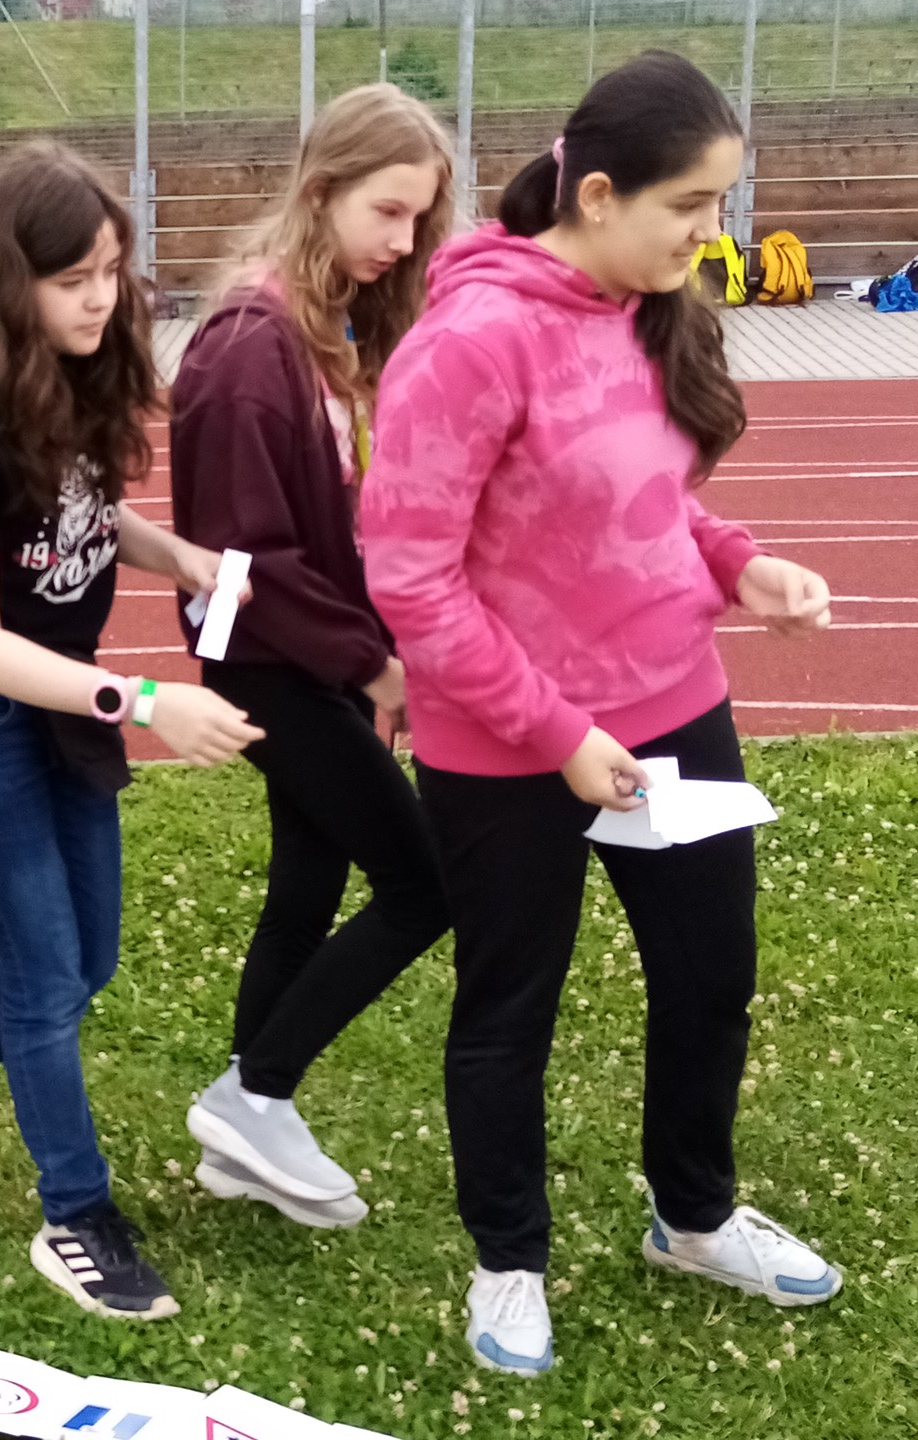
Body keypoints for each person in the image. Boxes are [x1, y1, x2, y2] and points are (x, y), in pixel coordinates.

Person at [360, 51, 841, 1376]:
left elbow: (651, 500)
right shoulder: (469, 343)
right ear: (600, 194)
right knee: (510, 1005)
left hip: (675, 706)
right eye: (691, 206)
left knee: (711, 976)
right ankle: (509, 1259)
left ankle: (693, 1217)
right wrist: (560, 736)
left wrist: (741, 565)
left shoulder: (643, 307)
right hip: (507, 744)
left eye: (720, 204)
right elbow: (410, 578)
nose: (710, 234)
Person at [0, 143, 263, 1321]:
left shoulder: (77, 369)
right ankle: (76, 1215)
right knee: (43, 970)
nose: (100, 298)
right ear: (8, 280)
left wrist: (180, 557)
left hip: (59, 700)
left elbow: (82, 510)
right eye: (73, 279)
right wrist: (149, 703)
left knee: (85, 961)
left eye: (113, 272)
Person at [168, 85, 454, 1230]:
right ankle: (256, 1094)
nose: (402, 241)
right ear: (322, 189)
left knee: (309, 882)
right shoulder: (251, 348)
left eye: (418, 219)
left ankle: (247, 1138)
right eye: (387, 211)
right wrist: (373, 667)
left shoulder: (324, 326)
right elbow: (249, 558)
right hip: (271, 660)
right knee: (425, 884)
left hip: (309, 656)